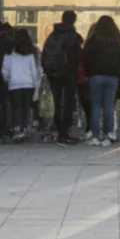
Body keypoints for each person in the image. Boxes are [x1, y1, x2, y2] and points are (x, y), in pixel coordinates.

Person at [41, 11, 84, 145]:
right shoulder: (73, 36)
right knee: (68, 103)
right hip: (68, 74)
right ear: (74, 20)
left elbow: (44, 55)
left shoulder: (52, 36)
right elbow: (77, 57)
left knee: (58, 103)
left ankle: (58, 131)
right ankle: (64, 133)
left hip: (53, 74)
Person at [82, 15, 120, 147]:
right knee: (108, 106)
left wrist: (90, 72)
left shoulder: (93, 40)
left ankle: (95, 136)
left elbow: (85, 58)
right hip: (112, 76)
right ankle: (109, 134)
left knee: (95, 106)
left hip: (96, 76)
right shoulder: (118, 40)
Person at [1, 28, 41, 140]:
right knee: (26, 108)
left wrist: (8, 80)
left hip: (14, 84)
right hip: (28, 84)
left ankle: (17, 129)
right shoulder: (29, 54)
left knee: (16, 108)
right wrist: (35, 84)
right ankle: (25, 128)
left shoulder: (9, 53)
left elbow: (5, 70)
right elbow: (33, 71)